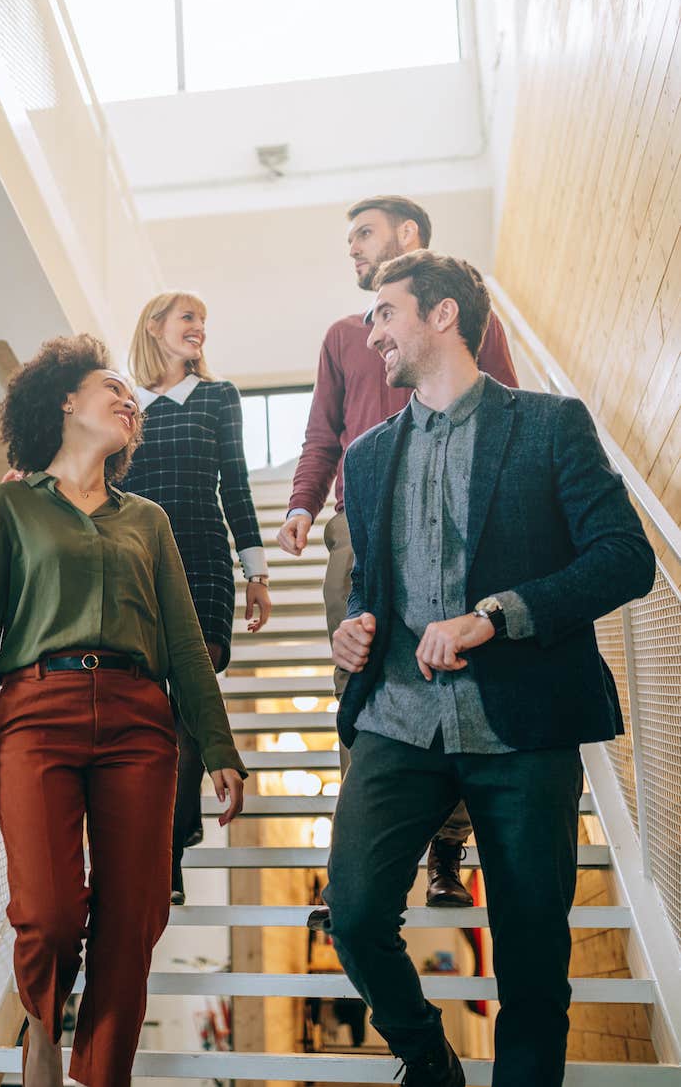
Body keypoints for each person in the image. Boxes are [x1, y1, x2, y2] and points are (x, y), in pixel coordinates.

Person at [323, 251, 655, 1086]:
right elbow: (372, 587)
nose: (372, 334)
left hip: (525, 720)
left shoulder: (551, 424)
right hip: (398, 717)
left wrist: (494, 616)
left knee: (534, 957)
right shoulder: (363, 459)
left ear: (442, 317)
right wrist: (354, 631)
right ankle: (431, 1063)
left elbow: (625, 558)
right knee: (357, 914)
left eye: (385, 314)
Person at [0, 334, 246, 1087]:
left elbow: (184, 641)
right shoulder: (8, 505)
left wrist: (221, 744)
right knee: (48, 914)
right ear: (66, 400)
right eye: (113, 387)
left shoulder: (148, 520)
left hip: (142, 722)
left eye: (131, 397)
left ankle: (100, 1075)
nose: (128, 400)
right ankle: (43, 1027)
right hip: (37, 714)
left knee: (133, 919)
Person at [280, 196, 518, 913]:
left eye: (364, 234)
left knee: (457, 678)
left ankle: (447, 852)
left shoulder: (472, 321)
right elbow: (323, 431)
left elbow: (506, 406)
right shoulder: (343, 337)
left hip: (460, 523)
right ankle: (351, 864)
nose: (352, 248)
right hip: (361, 530)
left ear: (407, 235)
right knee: (360, 686)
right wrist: (302, 501)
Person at [122, 292, 271, 905]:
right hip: (136, 565)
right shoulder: (124, 406)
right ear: (154, 326)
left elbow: (234, 484)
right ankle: (161, 841)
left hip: (205, 562)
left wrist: (256, 571)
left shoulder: (218, 397)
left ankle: (169, 854)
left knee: (184, 710)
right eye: (188, 318)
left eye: (204, 321)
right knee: (150, 715)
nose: (199, 329)